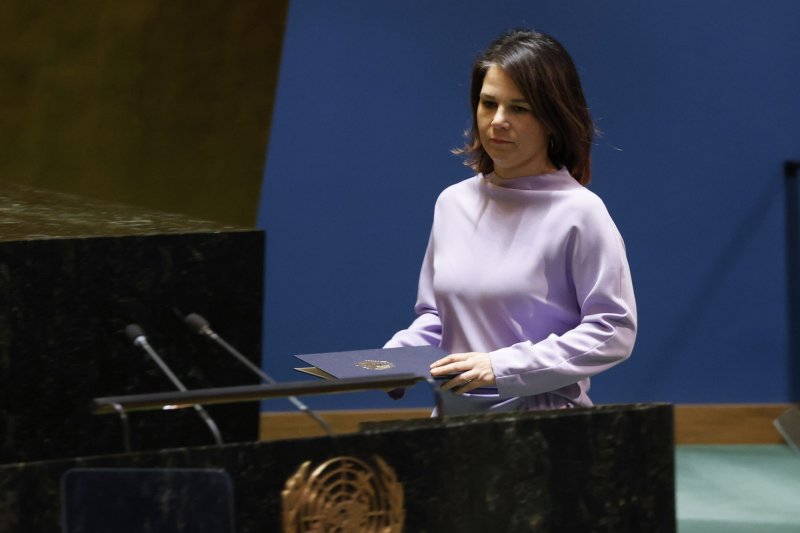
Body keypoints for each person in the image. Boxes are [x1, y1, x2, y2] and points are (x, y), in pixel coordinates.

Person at [383, 29, 637, 411]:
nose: (498, 121)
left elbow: (613, 331)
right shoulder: (452, 203)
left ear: (553, 118)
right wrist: (394, 359)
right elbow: (438, 317)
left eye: (519, 108)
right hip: (452, 423)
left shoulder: (581, 212)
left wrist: (501, 366)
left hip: (542, 431)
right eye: (489, 104)